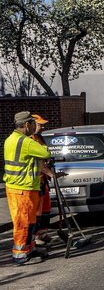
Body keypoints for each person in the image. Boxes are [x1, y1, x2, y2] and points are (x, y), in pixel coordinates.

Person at [3, 111, 52, 265]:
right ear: (26, 125)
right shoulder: (26, 142)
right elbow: (45, 153)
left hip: (18, 187)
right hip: (22, 188)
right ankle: (19, 254)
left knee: (29, 221)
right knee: (23, 222)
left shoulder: (10, 139)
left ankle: (29, 248)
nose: (34, 127)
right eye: (32, 124)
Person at [31, 114, 53, 246]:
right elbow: (38, 163)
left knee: (46, 209)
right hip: (35, 181)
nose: (43, 127)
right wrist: (51, 173)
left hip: (43, 180)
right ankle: (35, 237)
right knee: (37, 212)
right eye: (40, 124)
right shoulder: (30, 140)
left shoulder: (39, 138)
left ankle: (43, 233)